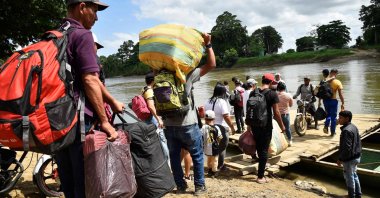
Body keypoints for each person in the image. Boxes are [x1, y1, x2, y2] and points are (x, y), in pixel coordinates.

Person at [56, 1, 124, 197]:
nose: (96, 17)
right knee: (86, 183)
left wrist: (111, 101)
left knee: (68, 181)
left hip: (58, 119)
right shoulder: (82, 35)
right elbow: (90, 79)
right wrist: (104, 121)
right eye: (94, 10)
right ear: (82, 7)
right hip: (79, 122)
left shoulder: (56, 35)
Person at [163, 33, 216, 195]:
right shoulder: (187, 74)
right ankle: (199, 186)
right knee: (197, 155)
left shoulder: (160, 74)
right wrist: (208, 44)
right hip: (188, 124)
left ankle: (180, 186)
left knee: (174, 157)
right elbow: (211, 64)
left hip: (168, 124)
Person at [249, 73, 286, 184]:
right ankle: (260, 177)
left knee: (260, 148)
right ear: (270, 82)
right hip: (265, 126)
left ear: (262, 80)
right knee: (264, 150)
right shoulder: (272, 94)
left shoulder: (253, 92)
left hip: (254, 125)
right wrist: (282, 126)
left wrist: (249, 126)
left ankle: (261, 167)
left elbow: (250, 109)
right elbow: (276, 112)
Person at [204, 82, 235, 171]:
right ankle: (220, 166)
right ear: (222, 92)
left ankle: (210, 165)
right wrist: (232, 127)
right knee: (222, 148)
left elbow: (205, 115)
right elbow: (226, 116)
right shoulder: (222, 102)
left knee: (211, 147)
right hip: (221, 128)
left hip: (210, 127)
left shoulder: (207, 101)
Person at [337, 111, 362, 198]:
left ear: (347, 119)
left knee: (349, 177)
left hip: (349, 158)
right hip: (356, 156)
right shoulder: (353, 127)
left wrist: (340, 158)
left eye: (340, 118)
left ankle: (351, 195)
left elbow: (346, 148)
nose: (338, 119)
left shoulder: (346, 130)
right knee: (354, 175)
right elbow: (358, 142)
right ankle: (358, 194)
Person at [201, 110, 223, 177]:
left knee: (209, 158)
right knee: (215, 159)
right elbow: (220, 137)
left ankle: (209, 169)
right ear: (214, 119)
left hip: (207, 147)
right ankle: (214, 171)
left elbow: (201, 136)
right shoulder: (217, 127)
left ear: (205, 119)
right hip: (215, 147)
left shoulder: (203, 127)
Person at [324, 69, 344, 137]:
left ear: (330, 73)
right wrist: (343, 102)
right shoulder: (337, 82)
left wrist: (319, 101)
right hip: (333, 101)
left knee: (328, 114)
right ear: (335, 73)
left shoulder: (325, 81)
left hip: (325, 101)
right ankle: (332, 132)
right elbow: (340, 94)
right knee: (333, 117)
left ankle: (326, 125)